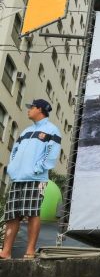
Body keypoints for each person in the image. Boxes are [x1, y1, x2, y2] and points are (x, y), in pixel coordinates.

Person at [0, 99, 61, 260]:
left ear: (40, 109)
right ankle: (5, 252)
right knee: (12, 214)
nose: (29, 110)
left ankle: (30, 250)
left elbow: (52, 152)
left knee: (33, 212)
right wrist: (12, 168)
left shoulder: (52, 130)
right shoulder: (25, 131)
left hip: (37, 178)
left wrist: (38, 168)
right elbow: (15, 150)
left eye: (31, 107)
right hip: (18, 178)